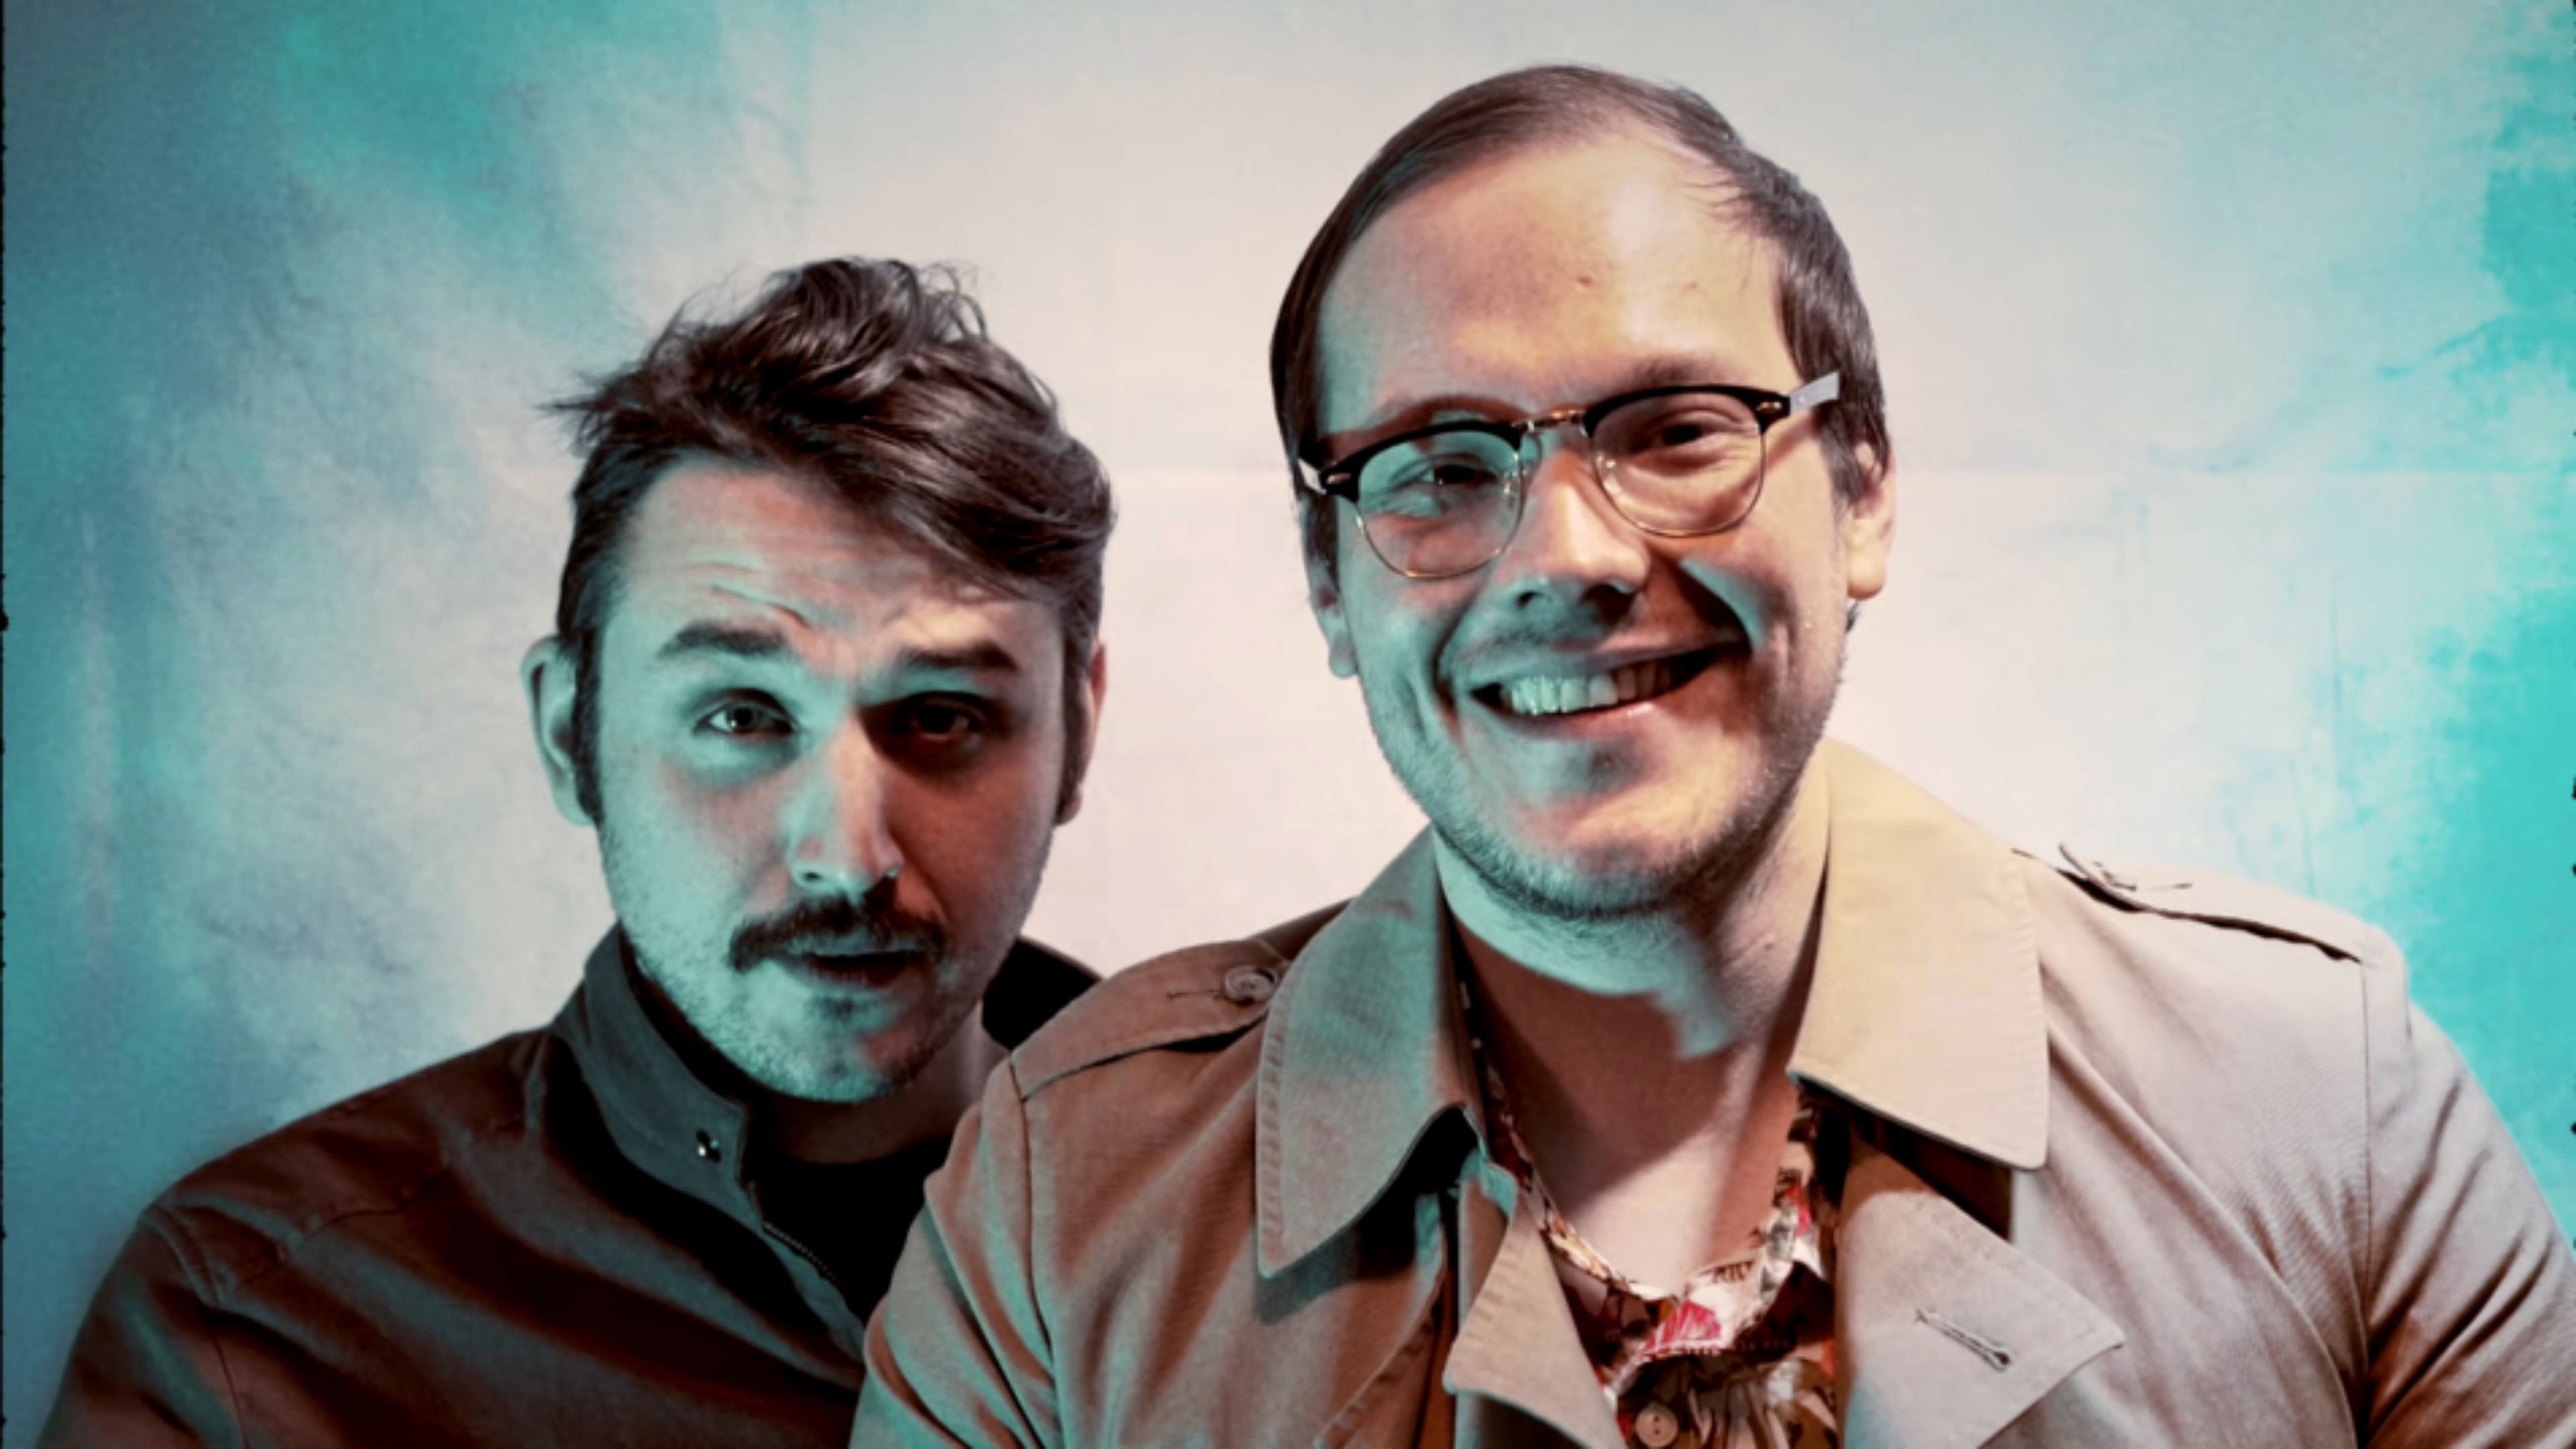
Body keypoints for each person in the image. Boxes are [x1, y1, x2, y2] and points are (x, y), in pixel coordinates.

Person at [853, 66, 2576, 1448]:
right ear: (1329, 582)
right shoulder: (1060, 1208)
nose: (1570, 556)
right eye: (1443, 466)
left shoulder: (2323, 1107)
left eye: (1678, 429)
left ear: (1866, 492)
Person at [42, 257, 1114, 1447]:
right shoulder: (257, 1333)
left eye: (943, 717)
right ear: (569, 734)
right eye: (741, 718)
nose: (850, 857)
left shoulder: (1241, 1236)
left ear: (1078, 730)